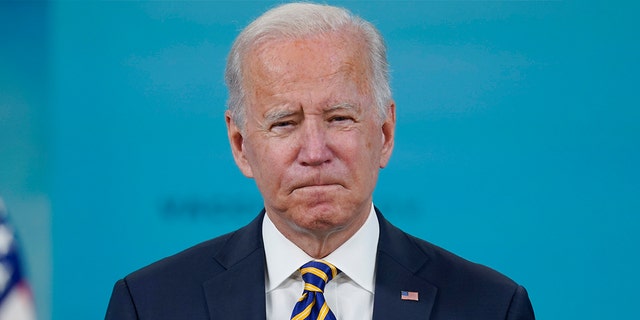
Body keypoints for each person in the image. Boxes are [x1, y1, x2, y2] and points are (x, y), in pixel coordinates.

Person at [105, 2, 535, 319]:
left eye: (340, 118)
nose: (314, 152)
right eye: (284, 123)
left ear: (384, 133)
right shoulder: (149, 304)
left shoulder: (492, 306)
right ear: (240, 144)